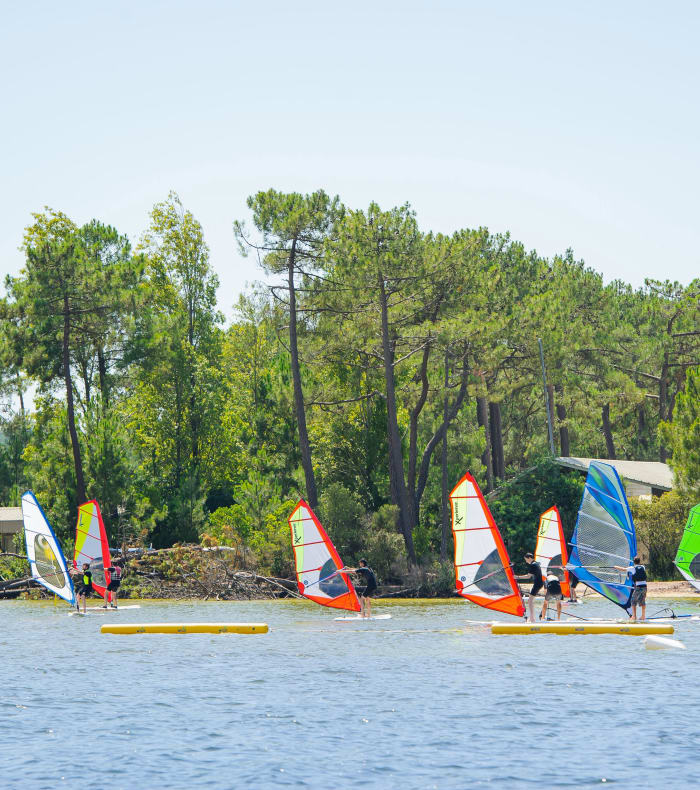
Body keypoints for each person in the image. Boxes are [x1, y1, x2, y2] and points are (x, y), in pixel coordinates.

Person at [614, 556, 647, 622]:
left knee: (633, 601)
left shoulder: (632, 568)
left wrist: (615, 566)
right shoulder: (643, 567)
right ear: (639, 561)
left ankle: (634, 616)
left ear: (634, 562)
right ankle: (643, 616)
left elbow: (623, 569)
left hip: (639, 587)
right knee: (642, 601)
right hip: (645, 586)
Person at [514, 553, 543, 622]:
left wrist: (517, 577)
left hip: (537, 584)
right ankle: (532, 617)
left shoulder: (533, 565)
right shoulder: (536, 563)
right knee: (531, 600)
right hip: (539, 583)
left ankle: (532, 618)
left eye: (526, 559)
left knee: (530, 601)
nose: (526, 561)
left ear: (529, 558)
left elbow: (528, 576)